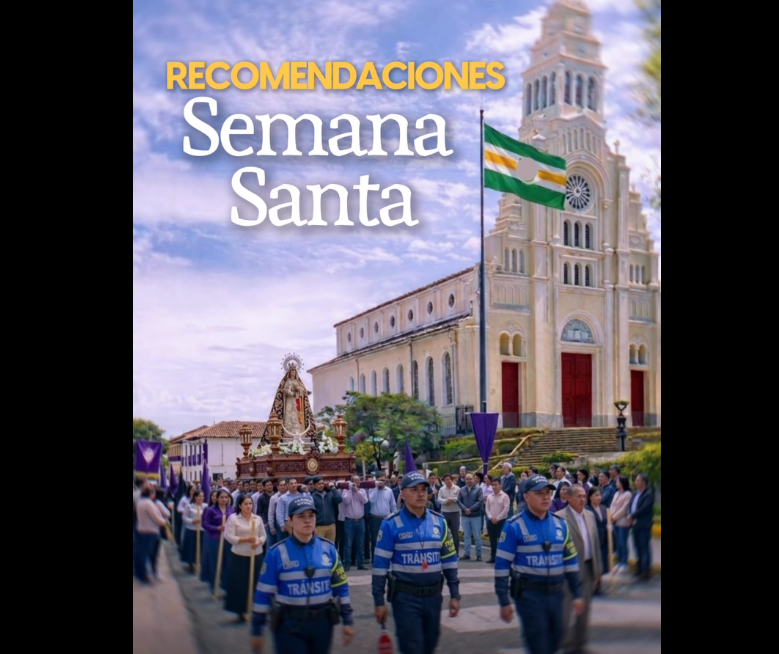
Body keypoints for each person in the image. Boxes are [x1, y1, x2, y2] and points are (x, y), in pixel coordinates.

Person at [251, 496, 354, 654]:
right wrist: (257, 629)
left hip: (322, 624)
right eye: (301, 517)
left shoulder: (329, 549)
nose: (307, 521)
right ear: (290, 521)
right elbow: (263, 593)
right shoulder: (276, 553)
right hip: (289, 625)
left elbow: (341, 587)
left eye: (311, 516)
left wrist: (347, 620)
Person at [372, 472, 461, 654]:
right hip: (405, 598)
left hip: (434, 597)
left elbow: (450, 562)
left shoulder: (439, 522)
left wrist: (454, 594)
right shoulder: (390, 524)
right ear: (402, 494)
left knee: (430, 645)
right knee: (412, 647)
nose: (421, 494)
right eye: (414, 490)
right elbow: (380, 566)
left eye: (423, 489)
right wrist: (379, 600)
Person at [495, 475, 584, 654]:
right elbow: (502, 566)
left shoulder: (561, 525)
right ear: (526, 496)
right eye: (539, 493)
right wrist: (504, 601)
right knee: (538, 642)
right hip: (529, 596)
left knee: (556, 638)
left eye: (548, 493)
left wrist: (577, 593)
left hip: (557, 595)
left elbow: (571, 561)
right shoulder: (513, 526)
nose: (545, 497)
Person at [556, 484, 602, 654]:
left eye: (584, 496)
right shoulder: (559, 518)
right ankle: (564, 643)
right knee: (566, 610)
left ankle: (580, 642)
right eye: (579, 496)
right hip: (569, 571)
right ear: (568, 498)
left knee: (585, 608)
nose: (583, 499)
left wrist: (598, 569)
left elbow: (595, 543)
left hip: (589, 567)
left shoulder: (589, 516)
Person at [224, 493, 266, 623]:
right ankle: (241, 611)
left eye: (250, 504)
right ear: (240, 505)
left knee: (257, 583)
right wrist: (246, 539)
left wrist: (258, 542)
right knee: (240, 584)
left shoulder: (257, 518)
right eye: (246, 504)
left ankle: (257, 609)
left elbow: (263, 536)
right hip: (239, 555)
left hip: (256, 554)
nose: (248, 506)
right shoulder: (233, 518)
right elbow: (229, 536)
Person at [134, 485, 169, 584]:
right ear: (151, 493)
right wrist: (164, 522)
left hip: (141, 529)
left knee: (141, 553)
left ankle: (141, 573)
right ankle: (144, 575)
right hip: (150, 531)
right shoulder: (149, 503)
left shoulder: (140, 502)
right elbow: (156, 518)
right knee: (148, 554)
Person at [202, 488, 235, 593]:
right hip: (214, 540)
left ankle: (225, 585)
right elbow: (205, 524)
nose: (224, 499)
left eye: (226, 497)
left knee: (227, 563)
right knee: (215, 563)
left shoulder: (232, 510)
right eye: (221, 497)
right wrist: (217, 528)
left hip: (227, 540)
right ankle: (213, 585)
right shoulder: (211, 510)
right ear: (216, 498)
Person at [629, 473, 655, 581]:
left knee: (644, 548)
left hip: (644, 524)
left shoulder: (648, 494)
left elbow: (645, 508)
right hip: (635, 524)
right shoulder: (636, 493)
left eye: (637, 480)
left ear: (643, 482)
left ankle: (646, 571)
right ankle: (639, 568)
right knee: (637, 547)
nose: (635, 482)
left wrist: (632, 515)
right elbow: (632, 506)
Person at [341, 475, 368, 571]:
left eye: (357, 481)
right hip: (349, 521)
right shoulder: (345, 491)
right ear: (350, 482)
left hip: (360, 521)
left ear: (360, 482)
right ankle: (347, 564)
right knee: (348, 544)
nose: (356, 483)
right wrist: (350, 489)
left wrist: (357, 491)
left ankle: (360, 563)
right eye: (354, 481)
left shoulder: (362, 491)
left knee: (360, 544)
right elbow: (346, 500)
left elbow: (365, 501)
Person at [368, 473, 397, 558]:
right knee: (375, 540)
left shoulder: (389, 490)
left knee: (387, 539)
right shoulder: (372, 490)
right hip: (375, 519)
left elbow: (393, 505)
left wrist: (394, 516)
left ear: (386, 481)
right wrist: (376, 487)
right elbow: (371, 500)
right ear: (376, 480)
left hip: (386, 519)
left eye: (383, 480)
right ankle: (375, 559)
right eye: (379, 480)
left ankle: (387, 558)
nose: (381, 482)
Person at [586, 486, 610, 590]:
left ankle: (599, 583)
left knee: (602, 561)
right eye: (596, 495)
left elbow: (607, 521)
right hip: (593, 539)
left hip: (604, 539)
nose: (599, 497)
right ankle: (593, 584)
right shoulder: (587, 510)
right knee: (594, 562)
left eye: (600, 495)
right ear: (590, 497)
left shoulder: (604, 509)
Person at [458, 473, 484, 561]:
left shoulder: (479, 489)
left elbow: (480, 501)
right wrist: (465, 509)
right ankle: (466, 554)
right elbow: (459, 501)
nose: (469, 480)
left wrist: (471, 510)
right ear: (465, 480)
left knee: (477, 536)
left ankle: (479, 554)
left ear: (473, 479)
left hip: (475, 516)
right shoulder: (461, 490)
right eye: (467, 479)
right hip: (465, 516)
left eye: (470, 479)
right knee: (466, 536)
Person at [610, 475, 633, 573]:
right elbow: (612, 505)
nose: (616, 483)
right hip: (614, 521)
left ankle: (624, 563)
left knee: (623, 542)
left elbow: (624, 509)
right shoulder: (616, 493)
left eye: (618, 482)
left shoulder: (628, 494)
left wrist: (614, 517)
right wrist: (611, 516)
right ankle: (619, 562)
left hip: (623, 522)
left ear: (623, 483)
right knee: (618, 543)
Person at [485, 477, 510, 564]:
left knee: (502, 540)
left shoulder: (505, 496)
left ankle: (502, 557)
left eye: (496, 485)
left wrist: (498, 518)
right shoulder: (489, 496)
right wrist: (491, 517)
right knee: (492, 540)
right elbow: (487, 509)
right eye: (493, 485)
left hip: (501, 522)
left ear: (500, 485)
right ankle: (493, 556)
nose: (494, 487)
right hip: (491, 521)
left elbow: (506, 509)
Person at [312, 476, 343, 543]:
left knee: (330, 546)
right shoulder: (312, 496)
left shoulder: (330, 494)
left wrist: (333, 488)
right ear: (314, 485)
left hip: (331, 525)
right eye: (319, 484)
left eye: (322, 483)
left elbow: (339, 500)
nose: (321, 485)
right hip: (319, 526)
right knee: (319, 548)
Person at [181, 490, 206, 574]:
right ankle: (191, 564)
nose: (201, 498)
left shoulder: (206, 506)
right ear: (195, 497)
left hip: (202, 530)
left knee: (201, 548)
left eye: (202, 496)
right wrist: (192, 521)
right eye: (199, 496)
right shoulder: (189, 506)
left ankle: (200, 564)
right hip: (191, 530)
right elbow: (184, 518)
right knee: (192, 548)